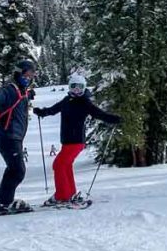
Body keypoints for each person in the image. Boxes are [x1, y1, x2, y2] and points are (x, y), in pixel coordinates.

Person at [33, 73, 120, 204]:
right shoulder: (66, 101)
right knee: (65, 165)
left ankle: (62, 196)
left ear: (84, 88)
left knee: (58, 165)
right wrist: (42, 112)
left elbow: (99, 114)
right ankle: (70, 193)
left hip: (76, 141)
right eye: (74, 87)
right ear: (69, 87)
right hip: (67, 141)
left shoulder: (85, 102)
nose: (77, 90)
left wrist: (112, 119)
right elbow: (53, 109)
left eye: (80, 88)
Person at [0, 59, 37, 215]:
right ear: (18, 73)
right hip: (8, 137)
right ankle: (4, 203)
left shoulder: (21, 91)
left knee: (13, 169)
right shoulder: (10, 90)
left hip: (12, 137)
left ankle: (3, 203)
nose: (29, 78)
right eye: (26, 74)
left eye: (31, 75)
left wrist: (29, 95)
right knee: (18, 171)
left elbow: (21, 96)